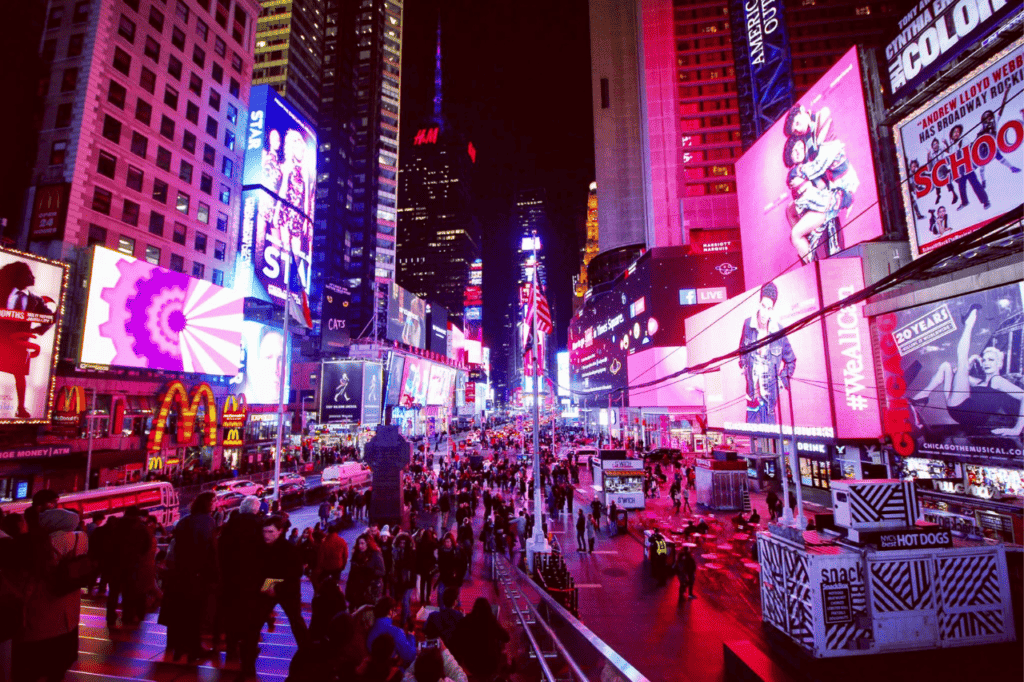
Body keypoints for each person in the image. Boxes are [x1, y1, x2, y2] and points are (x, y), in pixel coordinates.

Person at [11, 508, 88, 682]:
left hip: (44, 607)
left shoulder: (48, 541)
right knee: (58, 659)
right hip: (70, 604)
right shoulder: (81, 538)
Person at [160, 492, 217, 663]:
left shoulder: (185, 521)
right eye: (213, 501)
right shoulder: (208, 521)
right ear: (208, 504)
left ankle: (180, 647)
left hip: (181, 572)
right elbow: (209, 550)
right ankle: (194, 648)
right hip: (198, 574)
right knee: (196, 612)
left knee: (183, 611)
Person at [0, 260, 57, 419]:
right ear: (18, 276)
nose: (33, 277)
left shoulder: (34, 299)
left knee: (20, 376)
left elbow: (51, 317)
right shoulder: (2, 291)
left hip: (19, 344)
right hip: (1, 340)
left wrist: (37, 331)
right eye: (28, 275)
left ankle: (21, 407)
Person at [738, 282, 797, 425]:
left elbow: (791, 361)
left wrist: (781, 383)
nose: (765, 312)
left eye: (769, 308)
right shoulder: (747, 325)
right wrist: (744, 366)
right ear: (759, 304)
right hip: (751, 397)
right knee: (753, 440)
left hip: (769, 401)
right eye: (763, 306)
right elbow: (741, 349)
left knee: (771, 442)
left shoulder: (778, 333)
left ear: (773, 310)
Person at [217, 495, 265, 663]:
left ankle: (231, 646)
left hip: (232, 577)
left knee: (232, 613)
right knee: (251, 613)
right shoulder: (260, 526)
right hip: (253, 577)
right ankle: (248, 647)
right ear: (256, 510)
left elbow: (221, 550)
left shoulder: (230, 526)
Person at [259, 516, 308, 649]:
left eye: (270, 532)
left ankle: (306, 650)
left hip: (285, 587)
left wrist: (275, 587)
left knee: (296, 620)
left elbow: (296, 572)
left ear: (280, 531)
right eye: (264, 531)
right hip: (274, 584)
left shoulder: (289, 549)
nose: (266, 535)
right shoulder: (263, 547)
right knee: (257, 619)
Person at [448, 598, 509, 680]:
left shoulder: (467, 620)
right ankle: (504, 672)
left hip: (471, 662)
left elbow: (457, 638)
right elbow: (506, 637)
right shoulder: (491, 621)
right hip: (490, 662)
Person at [366, 597, 417, 669]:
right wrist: (411, 635)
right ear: (390, 611)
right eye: (394, 610)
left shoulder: (370, 630)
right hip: (390, 672)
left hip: (373, 670)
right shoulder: (396, 632)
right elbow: (410, 656)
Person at [348, 534, 386, 609]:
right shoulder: (356, 555)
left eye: (362, 543)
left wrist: (369, 571)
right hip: (359, 588)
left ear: (368, 543)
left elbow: (382, 572)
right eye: (359, 543)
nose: (360, 546)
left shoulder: (375, 554)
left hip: (372, 588)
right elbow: (352, 573)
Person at [402, 643, 468, 682]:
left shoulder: (407, 680)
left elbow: (407, 673)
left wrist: (420, 657)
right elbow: (462, 678)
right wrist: (445, 651)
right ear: (442, 671)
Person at [313, 523, 349, 592]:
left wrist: (319, 568)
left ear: (328, 532)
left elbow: (321, 557)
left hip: (326, 567)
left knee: (325, 583)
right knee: (336, 582)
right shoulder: (342, 541)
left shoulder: (324, 542)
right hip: (338, 565)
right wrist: (343, 565)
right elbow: (345, 555)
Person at [390, 532, 417, 627]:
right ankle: (409, 619)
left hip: (409, 580)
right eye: (400, 543)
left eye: (404, 543)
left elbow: (411, 565)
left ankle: (403, 622)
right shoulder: (395, 551)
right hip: (400, 580)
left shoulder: (411, 552)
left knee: (405, 601)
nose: (402, 545)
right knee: (405, 601)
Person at [436, 534, 466, 609]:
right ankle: (442, 610)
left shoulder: (457, 551)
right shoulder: (441, 551)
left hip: (455, 577)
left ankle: (455, 611)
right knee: (440, 593)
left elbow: (463, 564)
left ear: (452, 542)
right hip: (444, 576)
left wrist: (460, 575)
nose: (447, 544)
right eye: (445, 542)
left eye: (448, 542)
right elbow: (440, 563)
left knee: (455, 596)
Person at [415, 529, 438, 606]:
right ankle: (428, 598)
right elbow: (437, 545)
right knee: (428, 583)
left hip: (422, 565)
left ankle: (422, 598)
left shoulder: (420, 543)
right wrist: (435, 538)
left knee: (422, 582)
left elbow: (417, 554)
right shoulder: (431, 543)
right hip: (429, 565)